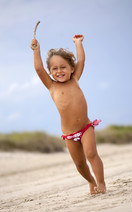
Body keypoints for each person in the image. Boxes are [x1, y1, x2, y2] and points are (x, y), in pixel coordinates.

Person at [31, 34, 106, 194]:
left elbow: (81, 60)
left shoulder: (75, 79)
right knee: (79, 164)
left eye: (63, 67)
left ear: (72, 68)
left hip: (85, 127)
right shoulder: (51, 86)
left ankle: (101, 183)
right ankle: (91, 182)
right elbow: (38, 69)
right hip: (69, 134)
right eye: (55, 68)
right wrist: (36, 51)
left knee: (91, 154)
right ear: (50, 72)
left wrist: (78, 43)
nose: (59, 71)